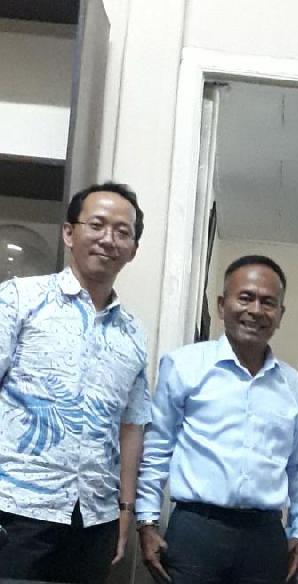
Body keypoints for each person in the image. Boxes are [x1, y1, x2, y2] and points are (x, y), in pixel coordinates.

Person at [0, 182, 150, 583]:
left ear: (133, 249)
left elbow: (131, 426)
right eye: (97, 225)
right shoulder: (19, 299)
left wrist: (125, 509)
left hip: (95, 520)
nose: (108, 239)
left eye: (122, 231)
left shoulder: (133, 334)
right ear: (69, 233)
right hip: (16, 509)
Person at [136, 255, 298, 584]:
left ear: (280, 314)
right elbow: (157, 447)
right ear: (222, 306)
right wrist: (146, 520)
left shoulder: (293, 386)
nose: (256, 310)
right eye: (245, 297)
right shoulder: (184, 366)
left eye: (268, 302)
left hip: (265, 538)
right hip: (196, 531)